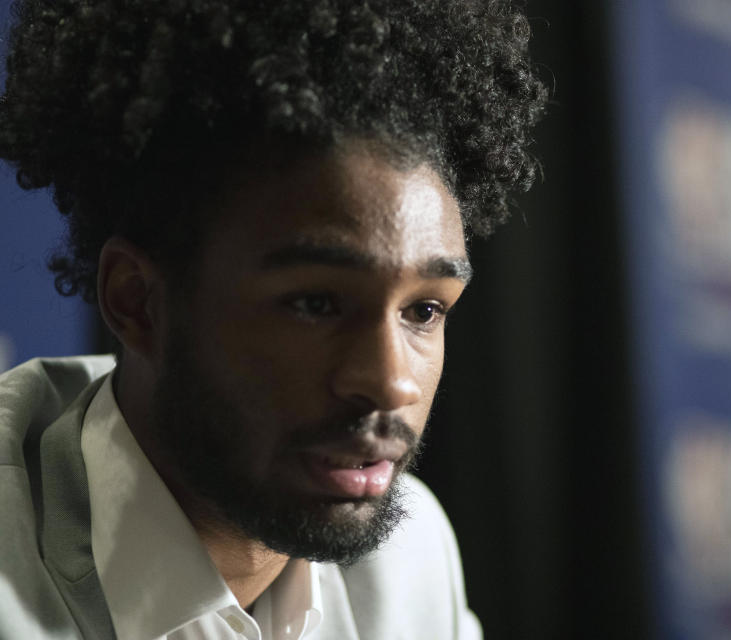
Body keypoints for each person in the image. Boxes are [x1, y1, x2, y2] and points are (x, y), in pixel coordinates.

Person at [0, 0, 545, 638]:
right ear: (137, 302)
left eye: (424, 310)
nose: (391, 383)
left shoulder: (410, 562)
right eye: (315, 304)